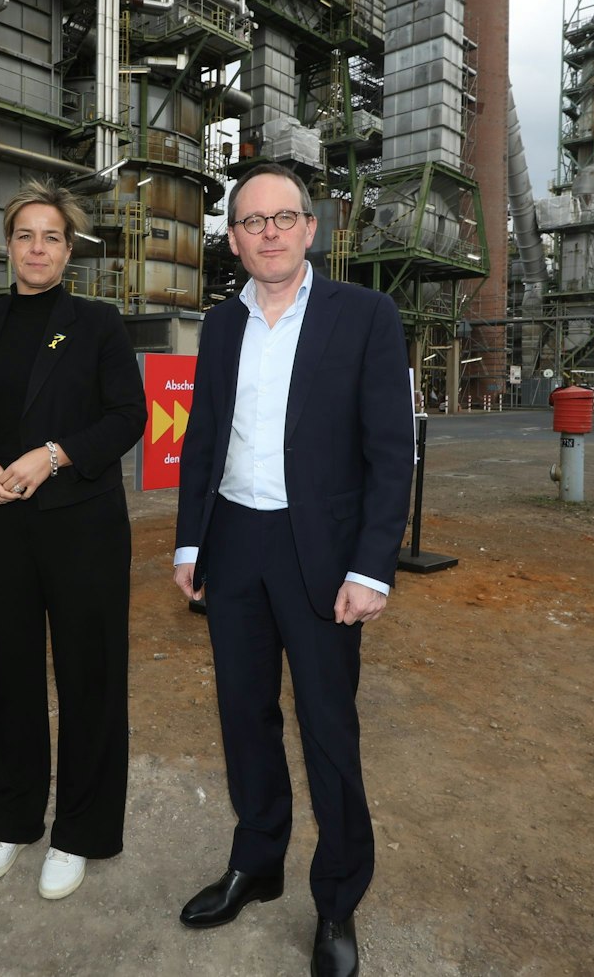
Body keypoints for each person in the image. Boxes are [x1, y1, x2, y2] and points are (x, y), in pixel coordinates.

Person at [171, 163, 411, 977]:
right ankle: (258, 859)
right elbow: (201, 440)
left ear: (312, 228)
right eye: (251, 221)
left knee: (328, 730)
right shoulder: (221, 323)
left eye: (283, 217)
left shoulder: (366, 316)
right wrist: (188, 544)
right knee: (243, 718)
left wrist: (373, 566)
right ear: (234, 238)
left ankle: (337, 899)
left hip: (322, 555)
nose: (267, 232)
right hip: (234, 543)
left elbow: (390, 451)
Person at [0, 179, 147, 901]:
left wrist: (53, 454)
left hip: (82, 524)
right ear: (8, 243)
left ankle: (81, 830)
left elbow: (128, 416)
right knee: (4, 672)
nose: (36, 247)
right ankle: (8, 817)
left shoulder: (98, 323)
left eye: (51, 236)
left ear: (68, 249)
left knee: (89, 674)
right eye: (25, 234)